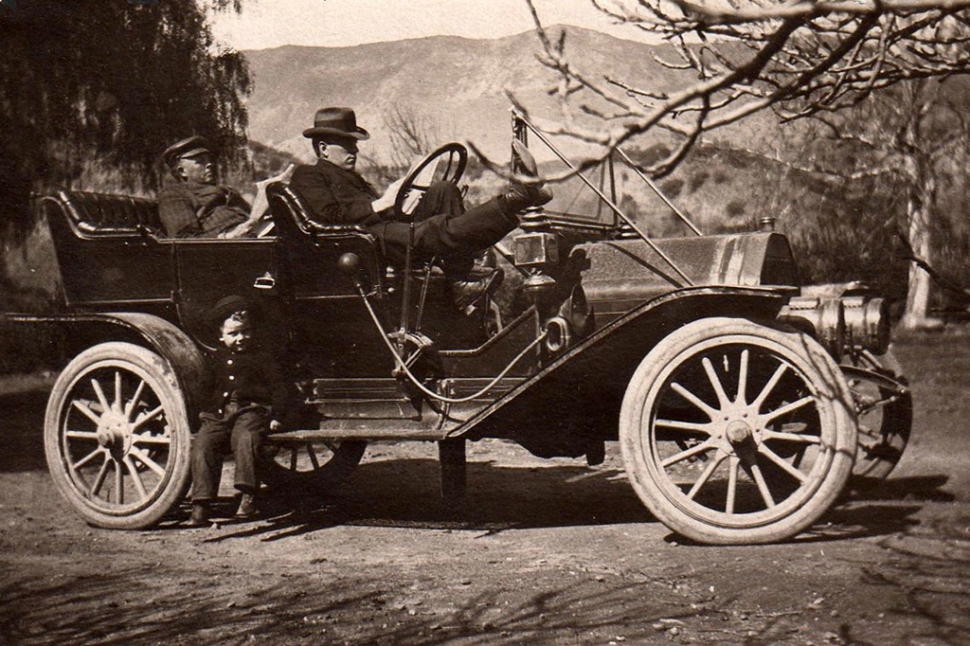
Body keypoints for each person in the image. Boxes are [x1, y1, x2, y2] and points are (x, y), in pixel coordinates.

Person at [288, 107, 552, 278]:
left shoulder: (350, 177)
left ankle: (458, 275)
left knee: (443, 190)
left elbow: (367, 209)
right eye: (347, 144)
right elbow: (328, 217)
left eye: (354, 144)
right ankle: (515, 200)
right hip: (363, 241)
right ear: (323, 149)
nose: (355, 150)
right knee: (433, 228)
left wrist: (403, 200)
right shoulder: (307, 175)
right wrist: (382, 204)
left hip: (378, 231)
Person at [186, 295, 294, 527]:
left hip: (252, 410)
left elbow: (279, 387)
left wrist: (278, 416)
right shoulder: (216, 358)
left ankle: (248, 496)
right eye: (233, 334)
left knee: (246, 439)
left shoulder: (263, 357)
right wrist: (204, 413)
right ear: (221, 335)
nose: (241, 338)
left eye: (245, 331)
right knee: (204, 443)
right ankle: (201, 503)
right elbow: (205, 388)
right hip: (221, 413)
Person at [158, 136, 293, 239]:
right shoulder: (175, 194)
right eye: (200, 162)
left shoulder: (227, 191)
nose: (210, 164)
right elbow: (184, 241)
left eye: (210, 160)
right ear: (182, 171)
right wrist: (231, 235)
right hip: (229, 249)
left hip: (254, 236)